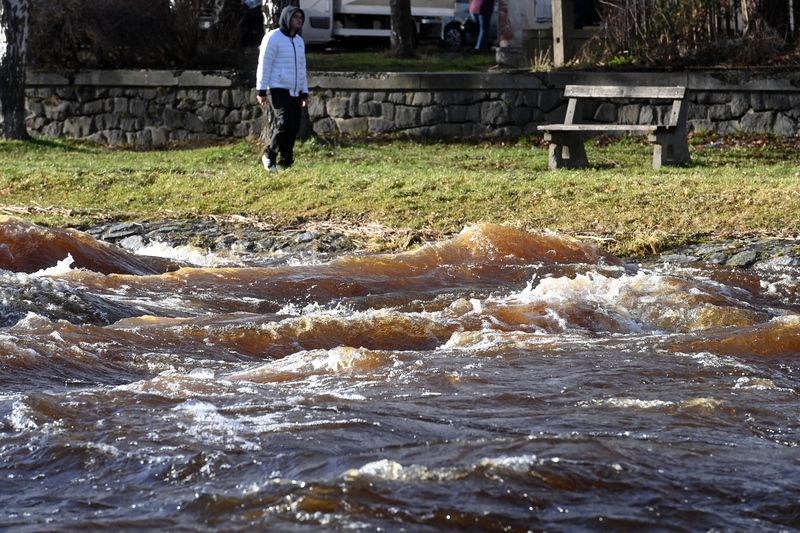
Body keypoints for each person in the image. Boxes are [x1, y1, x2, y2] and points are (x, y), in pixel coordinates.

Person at [256, 6, 308, 172]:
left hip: (295, 91)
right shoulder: (273, 37)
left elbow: (302, 68)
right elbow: (264, 64)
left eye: (301, 17)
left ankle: (286, 162)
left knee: (294, 126)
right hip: (277, 88)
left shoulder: (299, 41)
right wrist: (261, 90)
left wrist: (304, 92)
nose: (299, 20)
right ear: (287, 18)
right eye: (295, 17)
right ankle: (269, 154)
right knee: (284, 122)